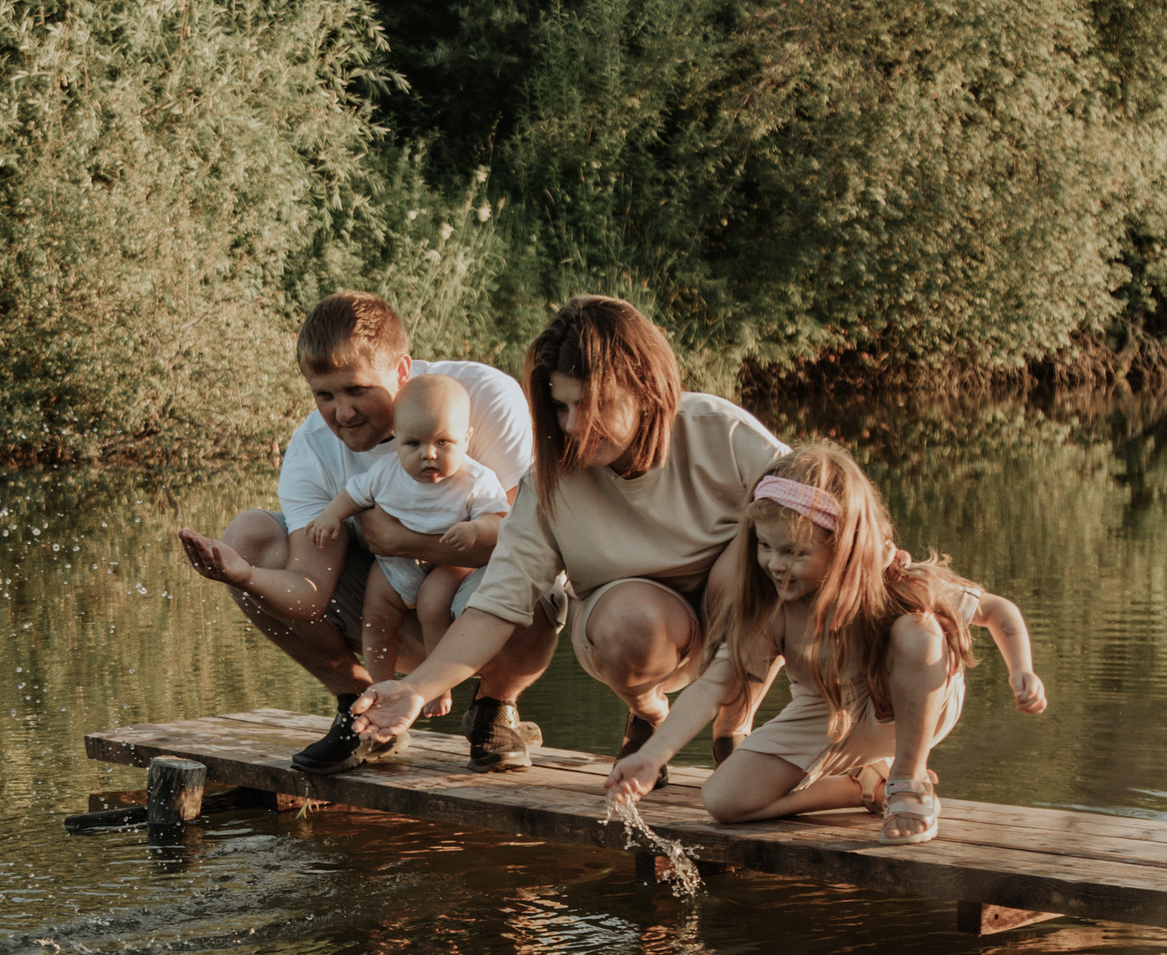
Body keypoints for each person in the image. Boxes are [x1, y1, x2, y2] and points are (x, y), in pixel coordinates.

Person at [349, 295, 791, 770]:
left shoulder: (719, 432)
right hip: (627, 625)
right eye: (561, 406)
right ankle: (648, 714)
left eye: (593, 404)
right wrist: (417, 689)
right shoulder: (552, 481)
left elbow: (829, 515)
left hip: (738, 616)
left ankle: (732, 729)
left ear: (645, 389)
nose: (575, 425)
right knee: (630, 622)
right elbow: (498, 602)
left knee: (774, 550)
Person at [174, 291, 556, 772]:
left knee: (533, 582)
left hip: (473, 591)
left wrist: (407, 542)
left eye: (356, 390)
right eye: (324, 394)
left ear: (401, 371)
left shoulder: (479, 397)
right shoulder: (312, 449)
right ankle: (361, 712)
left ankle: (493, 708)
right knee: (249, 535)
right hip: (388, 607)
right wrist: (243, 575)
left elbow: (528, 543)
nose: (342, 413)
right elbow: (310, 594)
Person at [603, 442, 1047, 844]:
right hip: (826, 710)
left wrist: (1021, 669)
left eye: (795, 553)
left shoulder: (897, 585)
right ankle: (865, 784)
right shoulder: (773, 608)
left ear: (845, 547)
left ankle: (909, 781)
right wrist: (651, 756)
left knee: (919, 630)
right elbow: (711, 687)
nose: (775, 564)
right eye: (765, 547)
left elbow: (998, 611)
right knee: (723, 801)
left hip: (904, 707)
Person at [302, 374, 514, 735]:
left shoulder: (476, 480)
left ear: (466, 438)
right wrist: (331, 515)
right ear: (396, 440)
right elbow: (355, 494)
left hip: (449, 562)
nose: (428, 454)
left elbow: (500, 521)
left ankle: (436, 683)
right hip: (397, 562)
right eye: (413, 443)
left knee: (433, 606)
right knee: (377, 614)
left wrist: (477, 529)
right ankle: (378, 686)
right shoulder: (386, 472)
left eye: (443, 442)